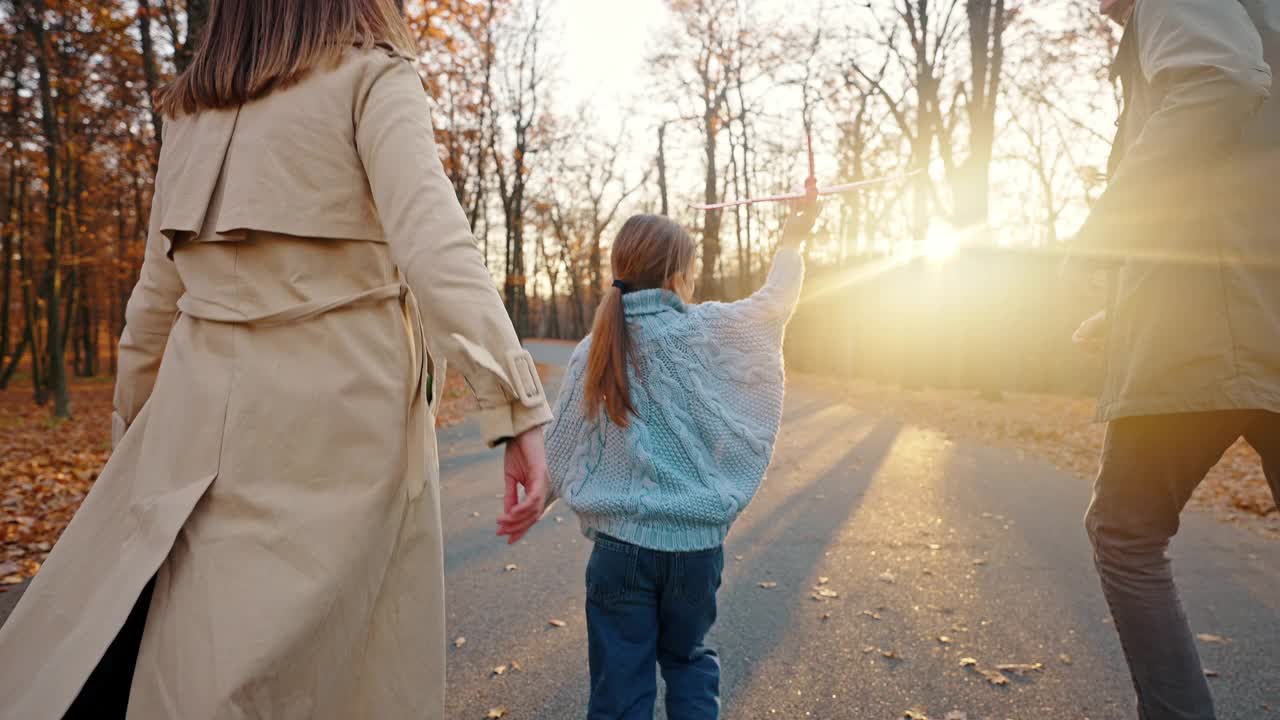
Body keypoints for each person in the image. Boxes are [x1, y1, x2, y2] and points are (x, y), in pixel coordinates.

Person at [0, 0, 553, 717]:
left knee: (192, 663)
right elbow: (435, 245)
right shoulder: (371, 77)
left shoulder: (189, 112)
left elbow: (152, 308)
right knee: (332, 671)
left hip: (191, 435)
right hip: (339, 437)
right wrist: (515, 408)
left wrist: (134, 450)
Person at [1071, 1, 1280, 717]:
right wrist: (1123, 310)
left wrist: (1104, 227)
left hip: (1205, 326)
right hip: (1247, 307)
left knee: (1124, 532)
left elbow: (1220, 81)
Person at [543, 204, 816, 720]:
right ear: (678, 274)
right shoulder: (707, 330)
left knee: (619, 688)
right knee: (689, 662)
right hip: (695, 551)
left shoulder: (593, 348)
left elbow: (558, 449)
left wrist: (531, 502)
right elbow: (774, 303)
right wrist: (793, 240)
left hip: (619, 552)